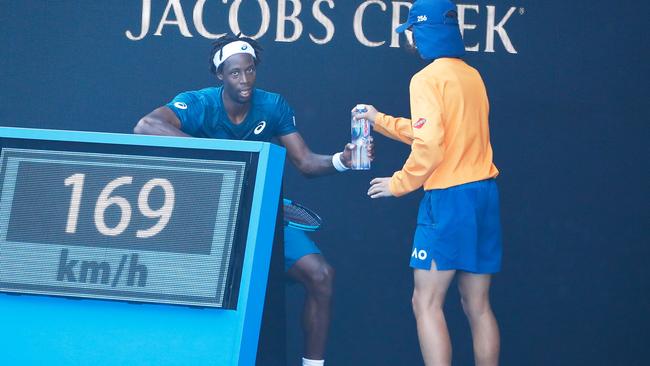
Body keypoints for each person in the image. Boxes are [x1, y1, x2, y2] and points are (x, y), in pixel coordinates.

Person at [134, 34, 370, 366]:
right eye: (235, 73)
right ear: (220, 75)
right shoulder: (200, 103)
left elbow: (305, 162)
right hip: (208, 225)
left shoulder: (272, 106)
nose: (244, 80)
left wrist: (342, 160)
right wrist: (226, 156)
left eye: (250, 71)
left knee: (321, 275)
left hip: (262, 217)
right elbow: (146, 126)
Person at [354, 1, 502, 365]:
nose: (412, 41)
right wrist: (381, 121)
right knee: (478, 306)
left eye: (413, 33)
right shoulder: (471, 75)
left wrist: (399, 183)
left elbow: (432, 145)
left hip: (449, 199)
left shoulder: (425, 79)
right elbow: (438, 133)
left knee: (426, 302)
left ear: (425, 32)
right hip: (484, 194)